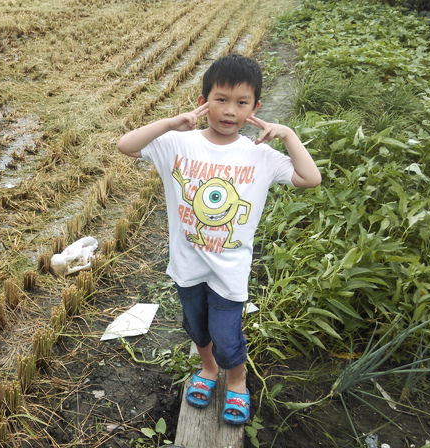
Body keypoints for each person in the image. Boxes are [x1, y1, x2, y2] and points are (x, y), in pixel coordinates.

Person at [116, 54, 321, 424]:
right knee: (196, 327)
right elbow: (125, 145)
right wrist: (169, 124)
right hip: (187, 265)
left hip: (229, 270)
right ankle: (208, 370)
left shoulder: (260, 155)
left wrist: (288, 134)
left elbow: (310, 178)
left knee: (227, 337)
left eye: (242, 103)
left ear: (255, 108)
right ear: (202, 102)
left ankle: (237, 381)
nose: (230, 111)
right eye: (221, 99)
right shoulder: (178, 144)